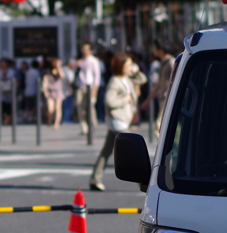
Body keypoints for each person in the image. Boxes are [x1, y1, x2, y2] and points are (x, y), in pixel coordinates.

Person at [89, 53, 147, 191]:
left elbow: (143, 79)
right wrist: (124, 100)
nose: (130, 67)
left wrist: (136, 70)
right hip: (118, 121)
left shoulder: (127, 78)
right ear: (121, 66)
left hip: (121, 120)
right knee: (131, 151)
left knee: (107, 150)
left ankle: (95, 178)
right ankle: (143, 182)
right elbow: (109, 101)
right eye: (128, 65)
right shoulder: (115, 81)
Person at [141, 40, 174, 137]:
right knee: (162, 126)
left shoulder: (171, 62)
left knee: (158, 126)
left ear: (160, 49)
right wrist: (148, 100)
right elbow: (159, 84)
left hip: (168, 98)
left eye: (154, 48)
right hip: (163, 98)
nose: (152, 50)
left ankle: (163, 150)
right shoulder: (162, 63)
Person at [74, 43, 101, 145]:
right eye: (82, 49)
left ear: (90, 50)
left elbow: (97, 76)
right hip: (80, 86)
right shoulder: (80, 61)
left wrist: (95, 90)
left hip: (90, 87)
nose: (83, 51)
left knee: (90, 107)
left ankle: (92, 125)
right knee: (79, 106)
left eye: (85, 49)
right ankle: (84, 127)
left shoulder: (93, 61)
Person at [42, 57, 66, 129]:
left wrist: (59, 67)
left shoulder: (60, 71)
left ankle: (56, 123)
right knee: (50, 109)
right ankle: (49, 120)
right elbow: (45, 81)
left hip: (58, 91)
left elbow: (62, 76)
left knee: (58, 108)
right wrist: (45, 90)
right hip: (51, 91)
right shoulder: (48, 71)